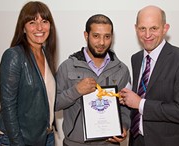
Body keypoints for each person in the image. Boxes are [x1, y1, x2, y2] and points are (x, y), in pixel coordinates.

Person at [119, 5, 179, 146]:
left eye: (153, 28)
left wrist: (140, 103)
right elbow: (144, 94)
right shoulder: (136, 59)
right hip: (137, 141)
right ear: (136, 28)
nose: (147, 35)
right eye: (142, 28)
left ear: (165, 28)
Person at [55, 14, 131, 146]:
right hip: (75, 143)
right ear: (86, 35)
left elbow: (126, 106)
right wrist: (76, 90)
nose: (102, 42)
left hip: (109, 143)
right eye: (96, 36)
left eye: (107, 37)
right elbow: (54, 104)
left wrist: (124, 126)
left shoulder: (122, 69)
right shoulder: (67, 67)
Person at [0, 1, 57, 146]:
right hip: (16, 140)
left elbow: (46, 100)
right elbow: (8, 106)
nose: (39, 27)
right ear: (23, 28)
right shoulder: (14, 55)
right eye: (32, 22)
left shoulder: (46, 55)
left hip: (46, 137)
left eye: (44, 21)